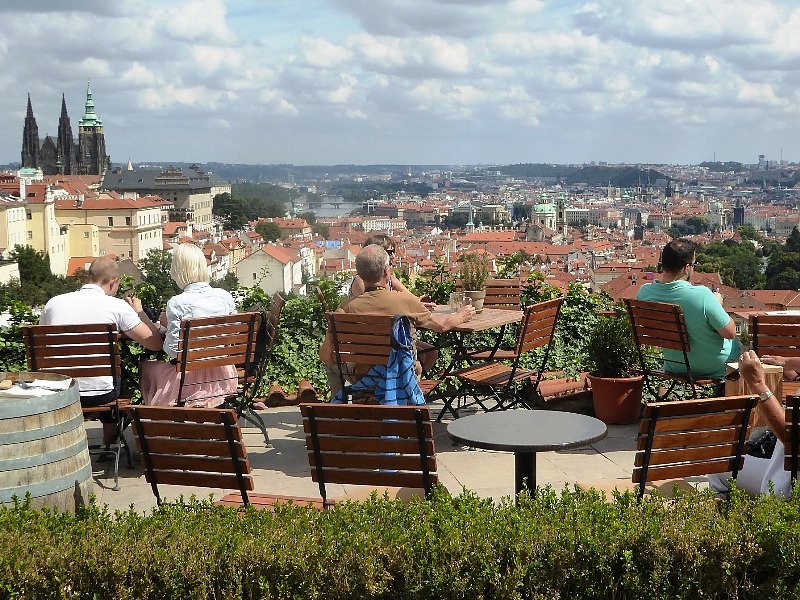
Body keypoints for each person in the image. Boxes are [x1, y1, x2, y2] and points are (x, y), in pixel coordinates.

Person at [320, 244, 475, 396]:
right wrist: (461, 315)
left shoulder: (345, 308)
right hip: (402, 377)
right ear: (386, 271)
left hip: (364, 378)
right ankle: (405, 395)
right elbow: (441, 326)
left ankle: (339, 407)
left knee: (331, 366)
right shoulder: (404, 301)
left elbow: (325, 356)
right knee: (420, 357)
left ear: (360, 274)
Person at [40, 256, 164, 444]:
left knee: (101, 373)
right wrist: (139, 312)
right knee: (110, 377)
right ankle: (109, 443)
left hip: (60, 391)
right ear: (113, 282)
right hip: (102, 393)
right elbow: (154, 344)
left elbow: (44, 344)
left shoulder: (53, 304)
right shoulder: (116, 306)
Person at [139, 243, 238, 407]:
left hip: (188, 383)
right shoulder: (224, 296)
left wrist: (168, 326)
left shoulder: (177, 303)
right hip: (224, 377)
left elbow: (173, 351)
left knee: (146, 367)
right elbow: (233, 335)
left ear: (178, 270)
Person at [636, 238, 739, 380]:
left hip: (674, 365)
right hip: (713, 366)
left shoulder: (644, 292)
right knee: (747, 353)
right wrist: (717, 303)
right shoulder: (702, 295)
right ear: (686, 267)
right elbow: (730, 333)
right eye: (694, 264)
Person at [348, 234, 438, 373]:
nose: (394, 256)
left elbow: (408, 299)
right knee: (419, 353)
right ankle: (406, 382)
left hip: (390, 338)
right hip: (373, 343)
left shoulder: (389, 278)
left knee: (430, 352)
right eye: (390, 252)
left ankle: (410, 383)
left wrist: (417, 304)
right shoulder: (362, 281)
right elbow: (371, 308)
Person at [709, 350, 791, 497]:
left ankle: (726, 507)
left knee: (716, 460)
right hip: (787, 476)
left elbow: (791, 438)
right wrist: (786, 362)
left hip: (786, 486)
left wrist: (758, 384)